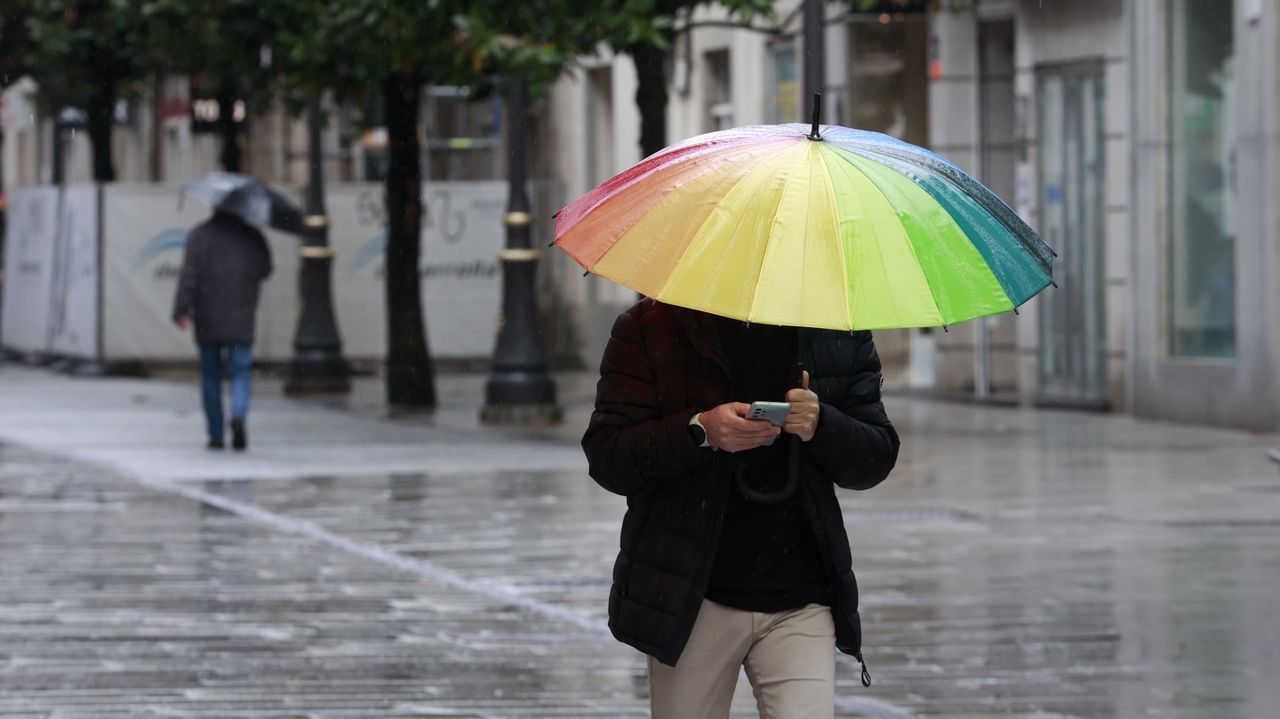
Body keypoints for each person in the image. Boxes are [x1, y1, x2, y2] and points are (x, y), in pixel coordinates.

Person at [583, 299, 900, 719]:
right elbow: (609, 457)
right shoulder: (652, 324)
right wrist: (699, 430)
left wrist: (822, 424)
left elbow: (876, 456)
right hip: (691, 597)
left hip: (802, 596)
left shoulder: (836, 328)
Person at [172, 209, 272, 451]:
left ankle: (216, 434)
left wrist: (181, 310)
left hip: (208, 316)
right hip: (241, 315)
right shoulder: (251, 236)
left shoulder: (200, 236)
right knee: (241, 372)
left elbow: (189, 277)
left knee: (210, 376)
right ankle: (238, 414)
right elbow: (266, 268)